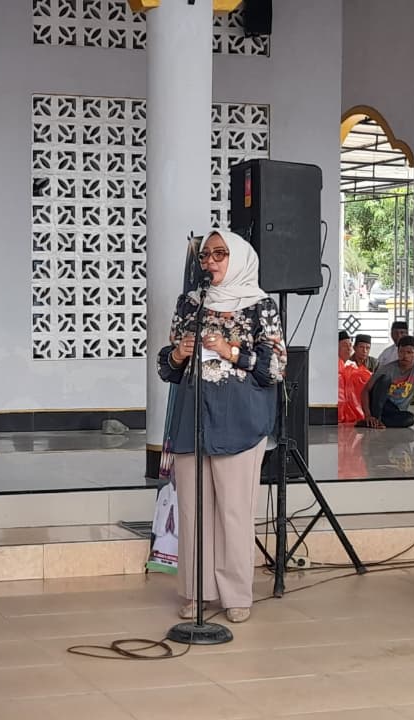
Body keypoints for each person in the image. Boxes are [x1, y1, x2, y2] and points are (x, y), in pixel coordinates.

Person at [157, 229, 285, 624]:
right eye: (205, 256)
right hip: (192, 416)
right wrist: (178, 354)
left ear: (239, 258)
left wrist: (230, 351)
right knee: (194, 510)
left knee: (234, 511)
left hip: (240, 420)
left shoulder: (259, 306)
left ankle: (235, 594)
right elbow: (167, 368)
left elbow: (275, 368)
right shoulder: (190, 303)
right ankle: (197, 592)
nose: (209, 261)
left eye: (219, 254)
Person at [357, 335, 414, 430]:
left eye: (409, 352)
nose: (405, 356)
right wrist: (368, 415)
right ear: (398, 352)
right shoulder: (387, 369)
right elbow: (365, 391)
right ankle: (376, 419)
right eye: (401, 352)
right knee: (385, 379)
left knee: (411, 419)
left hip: (396, 410)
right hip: (380, 405)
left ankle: (376, 422)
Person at [339, 331, 371, 424]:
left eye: (350, 345)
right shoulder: (334, 366)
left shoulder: (352, 365)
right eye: (345, 345)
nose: (349, 349)